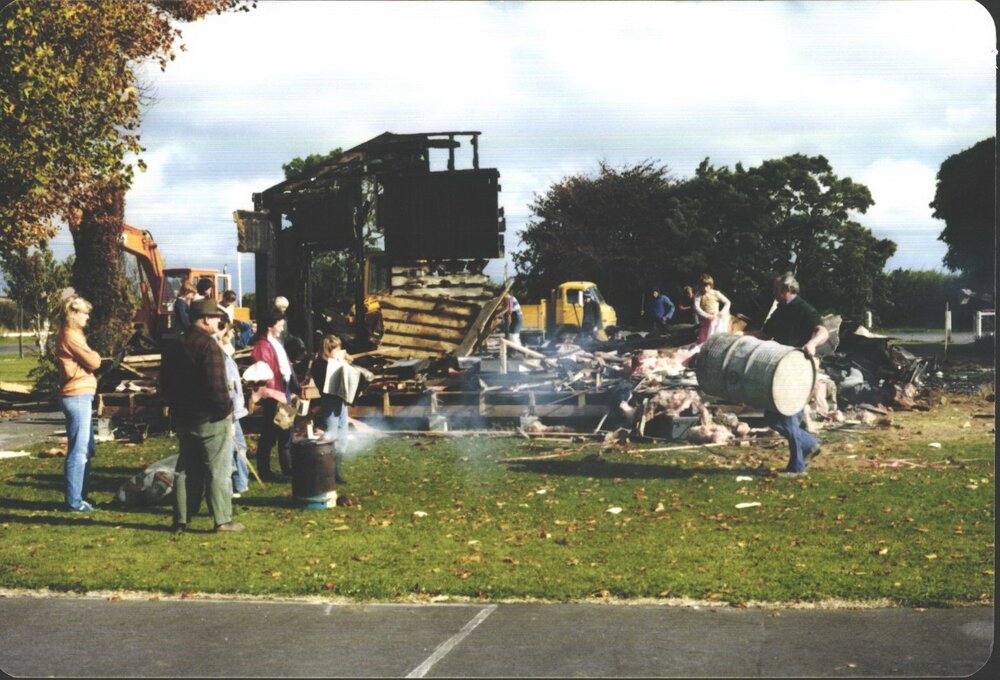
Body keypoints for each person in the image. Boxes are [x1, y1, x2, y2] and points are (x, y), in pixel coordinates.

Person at [161, 298, 243, 532]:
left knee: (186, 469)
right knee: (218, 470)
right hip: (211, 418)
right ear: (206, 319)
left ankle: (181, 520)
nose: (219, 321)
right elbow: (216, 386)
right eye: (216, 317)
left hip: (184, 418)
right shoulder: (209, 346)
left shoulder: (175, 344)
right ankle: (222, 520)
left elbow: (165, 384)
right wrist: (225, 410)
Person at [753, 272, 829, 475]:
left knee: (787, 417)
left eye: (776, 289)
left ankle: (797, 467)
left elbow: (823, 332)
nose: (773, 293)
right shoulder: (780, 310)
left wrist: (812, 343)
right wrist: (738, 337)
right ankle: (810, 444)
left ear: (787, 290)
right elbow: (764, 334)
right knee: (772, 418)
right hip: (779, 369)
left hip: (797, 368)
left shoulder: (804, 309)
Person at [55, 296, 102, 512]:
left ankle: (81, 496)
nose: (87, 316)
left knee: (86, 448)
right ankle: (75, 502)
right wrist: (95, 357)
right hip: (77, 395)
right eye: (84, 312)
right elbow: (93, 361)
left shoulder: (73, 334)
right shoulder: (71, 335)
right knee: (79, 450)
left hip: (80, 394)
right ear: (72, 313)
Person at [250, 309, 299, 481]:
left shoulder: (276, 342)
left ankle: (288, 468)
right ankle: (265, 471)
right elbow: (264, 373)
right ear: (270, 326)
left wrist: (292, 388)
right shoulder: (262, 347)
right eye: (279, 324)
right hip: (273, 393)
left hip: (283, 388)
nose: (282, 327)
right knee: (270, 433)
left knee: (286, 428)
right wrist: (277, 394)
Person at [309, 334, 351, 484]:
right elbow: (326, 381)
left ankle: (336, 470)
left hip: (341, 401)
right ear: (328, 349)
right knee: (331, 437)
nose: (339, 351)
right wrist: (338, 362)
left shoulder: (333, 362)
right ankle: (327, 471)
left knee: (343, 438)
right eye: (336, 349)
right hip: (329, 402)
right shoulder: (320, 364)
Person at [219, 321, 249, 498]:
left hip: (236, 409)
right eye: (229, 333)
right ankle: (230, 485)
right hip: (227, 410)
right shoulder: (219, 356)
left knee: (240, 446)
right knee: (230, 447)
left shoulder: (228, 355)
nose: (231, 337)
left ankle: (240, 483)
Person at [694, 274, 732, 344]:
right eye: (703, 286)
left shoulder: (716, 293)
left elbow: (727, 302)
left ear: (710, 285)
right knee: (703, 340)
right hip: (705, 321)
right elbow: (696, 308)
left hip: (716, 320)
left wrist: (723, 311)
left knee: (717, 337)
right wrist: (707, 316)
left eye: (707, 286)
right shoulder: (698, 295)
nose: (705, 288)